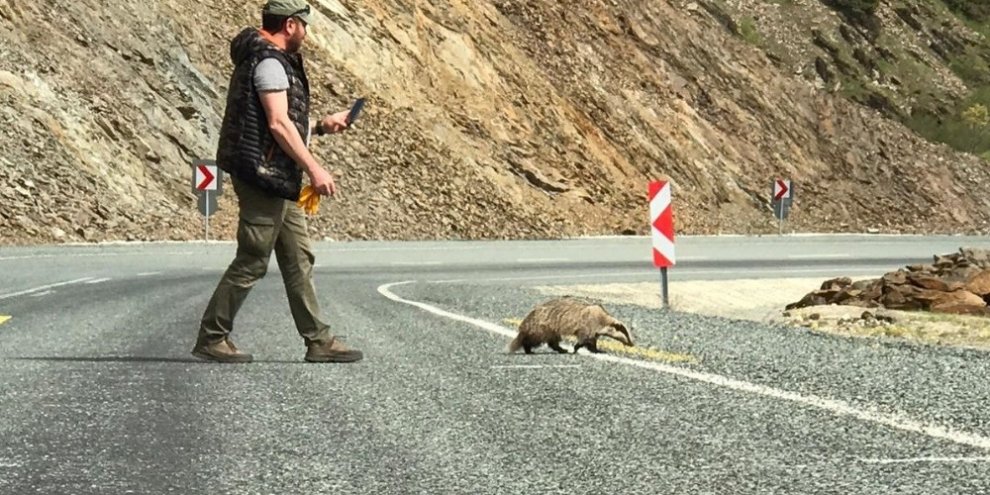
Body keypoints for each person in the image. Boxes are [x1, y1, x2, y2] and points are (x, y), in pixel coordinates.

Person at [192, 0, 363, 364]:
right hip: (262, 177)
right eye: (304, 26)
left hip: (278, 177)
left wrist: (320, 125)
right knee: (253, 258)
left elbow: (283, 122)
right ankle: (212, 336)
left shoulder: (270, 59)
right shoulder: (270, 62)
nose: (306, 33)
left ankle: (319, 340)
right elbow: (277, 123)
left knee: (298, 257)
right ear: (289, 25)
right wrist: (315, 169)